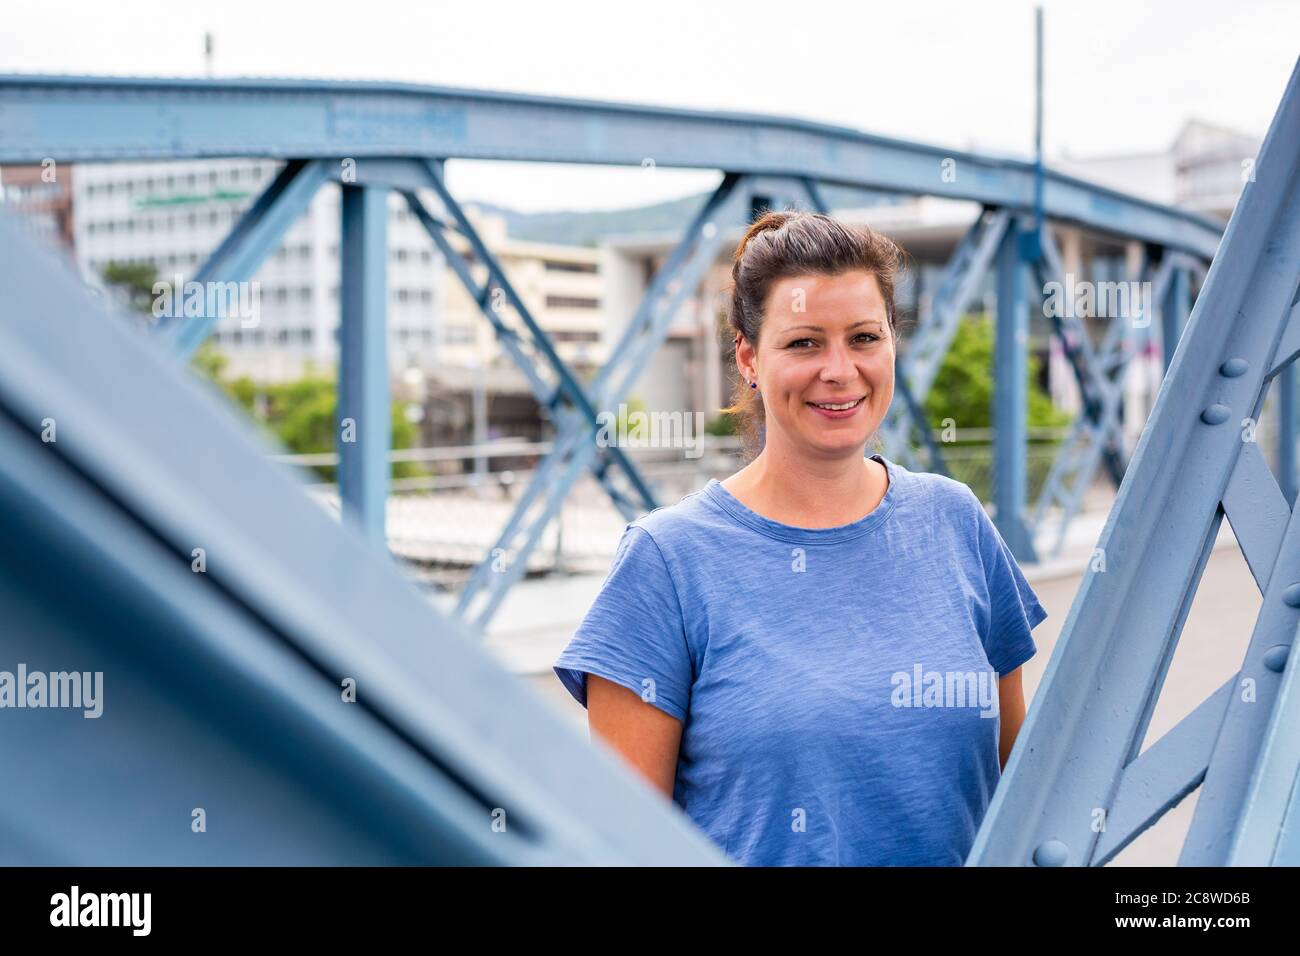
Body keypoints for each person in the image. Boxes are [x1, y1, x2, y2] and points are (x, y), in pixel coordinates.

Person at [553, 209, 1047, 866]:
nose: (839, 370)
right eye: (804, 343)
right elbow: (627, 847)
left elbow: (1028, 788)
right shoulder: (667, 563)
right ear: (749, 357)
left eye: (864, 337)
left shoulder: (956, 522)